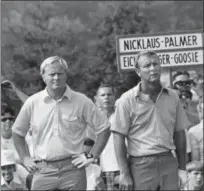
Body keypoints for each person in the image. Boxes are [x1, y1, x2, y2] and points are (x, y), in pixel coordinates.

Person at [12, 56, 111, 190]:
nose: (56, 78)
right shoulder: (33, 103)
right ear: (43, 77)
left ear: (66, 75)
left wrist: (91, 155)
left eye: (60, 73)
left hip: (73, 169)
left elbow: (104, 128)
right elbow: (17, 132)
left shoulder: (81, 101)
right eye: (52, 74)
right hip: (42, 169)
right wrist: (25, 159)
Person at [111, 51, 189, 190]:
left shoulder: (173, 97)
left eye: (155, 64)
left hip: (168, 161)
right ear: (138, 71)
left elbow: (179, 133)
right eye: (147, 65)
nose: (153, 68)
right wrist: (124, 173)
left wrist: (182, 169)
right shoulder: (126, 100)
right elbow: (118, 138)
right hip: (140, 165)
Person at [95, 84, 120, 190]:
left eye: (109, 94)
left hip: (120, 169)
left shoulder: (121, 116)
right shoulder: (92, 120)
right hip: (99, 171)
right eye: (103, 95)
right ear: (96, 98)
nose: (106, 97)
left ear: (114, 97)